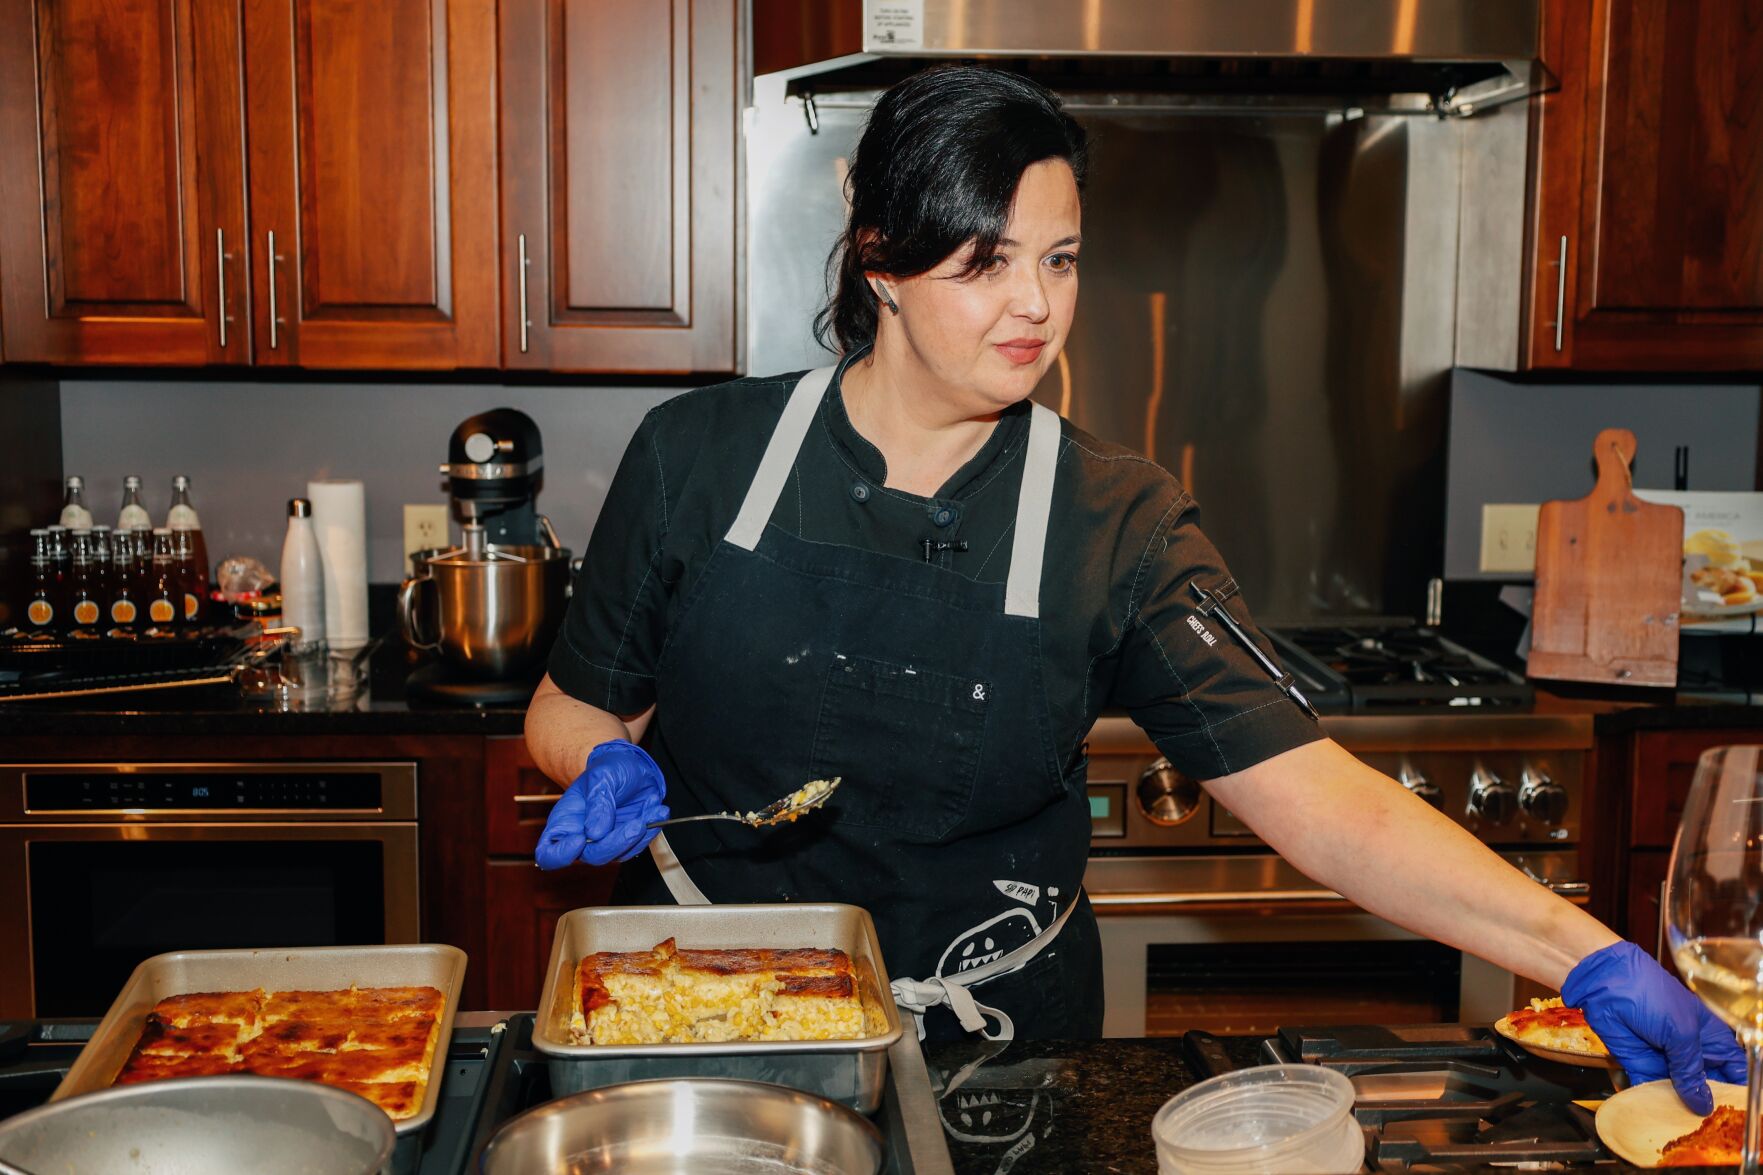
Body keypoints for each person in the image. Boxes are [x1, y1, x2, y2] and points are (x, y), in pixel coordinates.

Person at [525, 65, 1742, 1108]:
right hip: (706, 1017)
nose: (1036, 304)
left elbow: (1315, 795)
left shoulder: (1118, 518)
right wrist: (598, 760)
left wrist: (1581, 950)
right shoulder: (698, 455)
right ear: (880, 256)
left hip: (1006, 1058)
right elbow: (571, 709)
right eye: (986, 261)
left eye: (1059, 258)